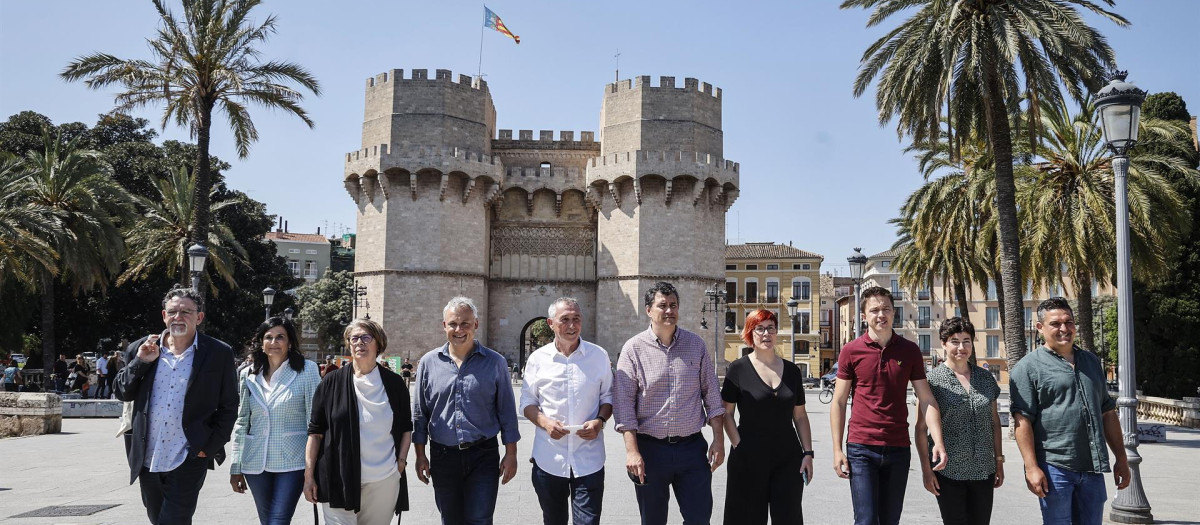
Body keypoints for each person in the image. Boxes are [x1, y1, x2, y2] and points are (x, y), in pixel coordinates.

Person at [113, 287, 239, 525]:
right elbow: (121, 391)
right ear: (164, 316)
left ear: (199, 317)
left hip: (189, 454)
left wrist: (208, 448)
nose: (178, 317)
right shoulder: (142, 348)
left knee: (174, 520)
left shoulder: (218, 353)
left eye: (186, 312)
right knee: (156, 517)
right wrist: (140, 362)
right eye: (173, 312)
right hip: (147, 455)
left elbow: (229, 405)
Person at [830, 286, 946, 525]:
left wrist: (939, 441)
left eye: (886, 309)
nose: (880, 315)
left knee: (890, 521)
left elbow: (926, 398)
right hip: (861, 447)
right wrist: (837, 449)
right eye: (874, 310)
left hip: (898, 447)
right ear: (863, 316)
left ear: (894, 313)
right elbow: (839, 402)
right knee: (866, 520)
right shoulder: (851, 351)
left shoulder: (910, 350)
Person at [613, 281, 725, 525]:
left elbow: (712, 396)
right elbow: (624, 405)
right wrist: (632, 451)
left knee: (699, 520)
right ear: (648, 310)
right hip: (650, 451)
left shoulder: (696, 345)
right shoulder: (633, 349)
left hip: (692, 450)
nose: (669, 311)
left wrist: (718, 439)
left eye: (673, 305)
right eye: (662, 305)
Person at [1010, 297, 1129, 525]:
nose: (1064, 328)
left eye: (1069, 322)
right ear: (1040, 328)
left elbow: (1107, 412)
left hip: (1092, 469)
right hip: (1055, 468)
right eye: (1055, 324)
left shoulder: (1091, 362)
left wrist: (1121, 458)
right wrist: (1031, 467)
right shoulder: (1027, 368)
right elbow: (1022, 421)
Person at [412, 296, 521, 525]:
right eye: (453, 324)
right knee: (450, 519)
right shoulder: (428, 363)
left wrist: (511, 454)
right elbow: (420, 413)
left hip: (483, 454)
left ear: (476, 325)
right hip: (443, 456)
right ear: (444, 326)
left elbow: (507, 413)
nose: (459, 329)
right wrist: (420, 455)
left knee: (480, 519)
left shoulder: (495, 362)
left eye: (465, 324)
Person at [304, 318, 412, 524]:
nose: (359, 343)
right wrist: (309, 476)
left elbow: (406, 428)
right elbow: (315, 433)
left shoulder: (394, 384)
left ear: (378, 343)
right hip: (337, 478)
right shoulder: (330, 382)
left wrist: (400, 463)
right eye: (354, 338)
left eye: (366, 337)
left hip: (383, 480)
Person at [520, 297, 613, 525]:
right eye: (565, 320)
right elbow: (527, 403)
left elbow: (608, 397)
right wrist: (544, 422)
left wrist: (600, 421)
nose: (572, 325)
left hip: (589, 459)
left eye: (576, 319)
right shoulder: (537, 360)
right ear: (551, 323)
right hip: (549, 459)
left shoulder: (599, 356)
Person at [721, 309, 814, 524]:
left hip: (788, 459)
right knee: (746, 518)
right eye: (759, 329)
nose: (766, 334)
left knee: (788, 518)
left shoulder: (792, 371)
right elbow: (726, 413)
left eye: (770, 328)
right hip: (747, 457)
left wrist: (808, 453)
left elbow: (800, 415)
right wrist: (738, 445)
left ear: (776, 332)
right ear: (750, 334)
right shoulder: (737, 369)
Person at [229, 317, 321, 525]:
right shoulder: (248, 375)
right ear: (261, 343)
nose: (274, 342)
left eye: (280, 337)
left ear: (289, 342)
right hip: (254, 461)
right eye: (268, 337)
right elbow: (242, 421)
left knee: (278, 519)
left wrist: (313, 469)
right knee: (266, 520)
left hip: (293, 460)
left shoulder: (307, 371)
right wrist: (236, 466)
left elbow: (314, 421)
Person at [915, 317, 1004, 525]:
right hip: (949, 472)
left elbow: (994, 422)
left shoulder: (985, 378)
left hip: (984, 470)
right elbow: (920, 429)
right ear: (944, 344)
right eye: (954, 341)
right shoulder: (932, 381)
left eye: (966, 341)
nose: (961, 347)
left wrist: (999, 461)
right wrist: (926, 471)